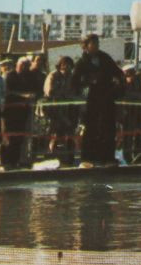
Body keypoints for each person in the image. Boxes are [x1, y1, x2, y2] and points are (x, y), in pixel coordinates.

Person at [72, 33, 125, 166]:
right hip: (91, 99)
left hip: (107, 97)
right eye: (93, 43)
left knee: (108, 128)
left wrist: (119, 82)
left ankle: (108, 158)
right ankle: (88, 159)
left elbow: (118, 72)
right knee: (91, 129)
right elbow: (75, 82)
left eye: (97, 43)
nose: (96, 46)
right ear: (86, 46)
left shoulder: (105, 57)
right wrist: (88, 81)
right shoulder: (81, 62)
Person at [43, 55, 80, 160]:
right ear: (60, 65)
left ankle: (69, 156)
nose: (67, 68)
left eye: (69, 65)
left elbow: (75, 92)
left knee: (69, 131)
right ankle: (50, 154)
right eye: (65, 65)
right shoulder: (53, 75)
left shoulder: (71, 77)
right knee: (54, 131)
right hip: (54, 108)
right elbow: (49, 92)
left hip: (68, 108)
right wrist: (63, 94)